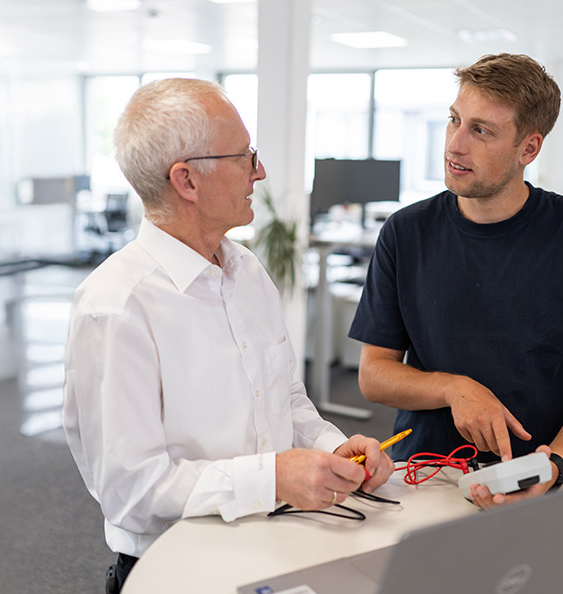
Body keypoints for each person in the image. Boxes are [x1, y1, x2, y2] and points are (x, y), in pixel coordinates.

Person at [62, 78, 395, 594]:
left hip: (275, 547)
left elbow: (285, 399)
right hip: (180, 572)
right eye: (244, 156)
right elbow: (130, 491)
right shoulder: (117, 307)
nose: (259, 171)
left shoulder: (246, 271)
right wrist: (274, 478)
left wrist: (335, 448)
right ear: (187, 181)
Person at [348, 53, 563, 509]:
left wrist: (552, 464)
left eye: (481, 130)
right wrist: (452, 387)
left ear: (529, 149)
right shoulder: (405, 232)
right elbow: (373, 374)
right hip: (421, 477)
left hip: (534, 481)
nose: (454, 145)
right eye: (454, 121)